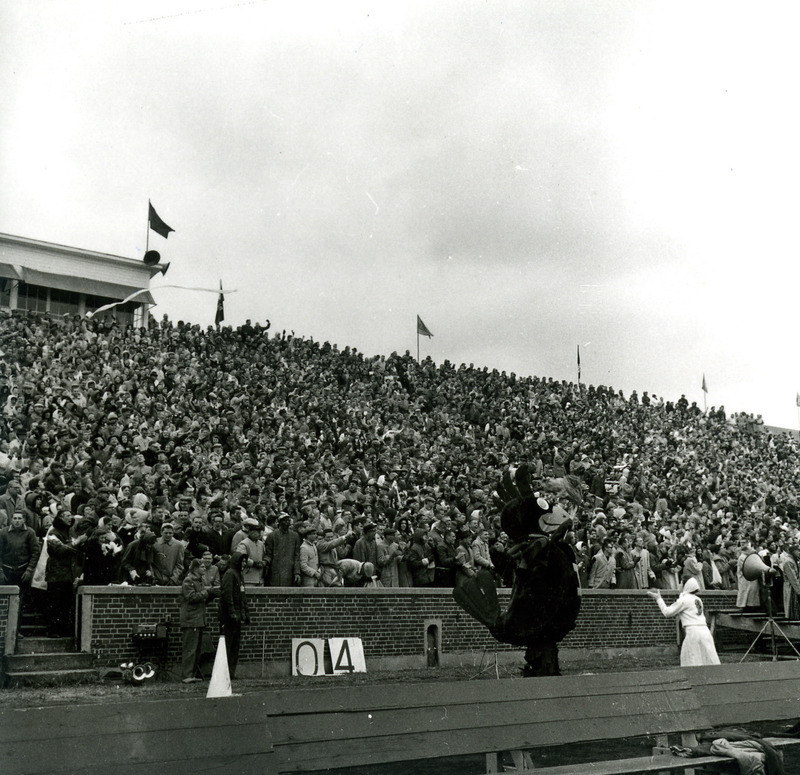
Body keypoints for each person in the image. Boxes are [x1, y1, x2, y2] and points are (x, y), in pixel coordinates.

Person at [646, 578, 720, 666]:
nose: (680, 585)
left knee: (691, 662)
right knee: (709, 661)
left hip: (693, 633)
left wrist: (659, 598)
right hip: (705, 632)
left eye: (681, 583)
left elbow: (667, 612)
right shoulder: (698, 599)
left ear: (686, 586)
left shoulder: (684, 600)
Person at [0, 511, 39, 638]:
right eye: (15, 518)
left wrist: (29, 570)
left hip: (22, 572)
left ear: (24, 520)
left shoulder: (30, 533)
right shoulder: (3, 532)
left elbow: (35, 552)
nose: (17, 521)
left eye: (19, 519)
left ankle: (16, 631)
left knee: (19, 602)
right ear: (11, 520)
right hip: (6, 571)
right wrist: (0, 571)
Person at [180, 558, 219, 682]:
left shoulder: (199, 580)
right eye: (202, 567)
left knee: (196, 649)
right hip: (191, 619)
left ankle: (193, 674)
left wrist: (211, 595)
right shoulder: (188, 580)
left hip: (198, 619)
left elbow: (201, 598)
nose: (204, 568)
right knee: (190, 648)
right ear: (195, 568)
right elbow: (191, 597)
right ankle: (187, 675)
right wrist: (207, 592)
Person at [219, 551, 249, 679]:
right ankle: (224, 672)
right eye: (241, 561)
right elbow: (227, 594)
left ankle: (231, 672)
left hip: (236, 613)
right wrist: (231, 611)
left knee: (235, 645)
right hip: (229, 614)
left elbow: (242, 595)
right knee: (228, 644)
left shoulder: (238, 574)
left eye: (244, 561)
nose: (243, 563)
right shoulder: (230, 574)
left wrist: (244, 612)